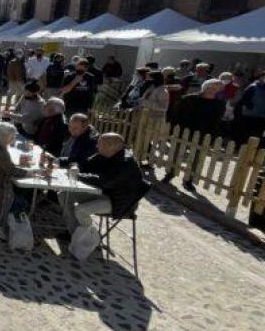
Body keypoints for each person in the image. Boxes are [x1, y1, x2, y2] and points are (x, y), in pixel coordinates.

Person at [65, 133, 147, 261]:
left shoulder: (126, 163)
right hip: (105, 194)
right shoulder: (106, 153)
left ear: (111, 146)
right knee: (65, 194)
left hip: (119, 202)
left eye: (100, 144)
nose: (96, 146)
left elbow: (104, 181)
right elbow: (85, 163)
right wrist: (75, 166)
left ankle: (89, 239)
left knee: (81, 210)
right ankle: (76, 235)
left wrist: (79, 176)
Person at [167, 79, 226, 190]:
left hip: (204, 134)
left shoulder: (219, 104)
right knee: (177, 154)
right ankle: (170, 173)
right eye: (210, 87)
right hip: (185, 131)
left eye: (216, 88)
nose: (212, 90)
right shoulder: (189, 99)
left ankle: (188, 180)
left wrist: (214, 136)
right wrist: (175, 129)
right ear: (205, 87)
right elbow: (176, 114)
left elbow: (217, 121)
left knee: (197, 159)